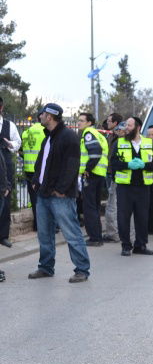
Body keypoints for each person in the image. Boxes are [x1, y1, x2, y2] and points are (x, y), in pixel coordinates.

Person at [27, 103, 91, 283]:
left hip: (60, 196)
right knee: (44, 233)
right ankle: (46, 267)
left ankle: (82, 270)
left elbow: (72, 165)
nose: (40, 116)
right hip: (43, 194)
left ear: (50, 116)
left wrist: (61, 189)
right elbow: (42, 162)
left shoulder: (68, 137)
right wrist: (35, 181)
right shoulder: (49, 137)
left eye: (42, 114)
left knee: (71, 233)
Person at [109, 116, 153, 256]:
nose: (126, 128)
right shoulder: (119, 142)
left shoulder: (148, 142)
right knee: (123, 217)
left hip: (143, 187)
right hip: (125, 187)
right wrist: (127, 165)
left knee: (142, 217)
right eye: (126, 126)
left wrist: (144, 165)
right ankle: (126, 246)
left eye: (129, 126)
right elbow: (113, 164)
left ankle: (141, 245)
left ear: (138, 127)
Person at [77, 112, 109, 247]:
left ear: (89, 123)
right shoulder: (98, 134)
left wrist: (87, 170)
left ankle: (94, 238)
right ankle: (97, 236)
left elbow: (95, 153)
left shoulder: (88, 133)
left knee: (89, 207)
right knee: (94, 207)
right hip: (99, 174)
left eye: (82, 121)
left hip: (92, 174)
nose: (79, 123)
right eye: (78, 120)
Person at [0, 97, 21, 248]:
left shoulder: (9, 125)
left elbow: (18, 143)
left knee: (5, 200)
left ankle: (3, 235)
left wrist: (10, 144)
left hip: (5, 164)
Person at [21, 118, 46, 231]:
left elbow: (21, 150)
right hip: (41, 169)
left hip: (28, 169)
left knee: (34, 198)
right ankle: (46, 225)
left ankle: (37, 225)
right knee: (44, 198)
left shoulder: (26, 132)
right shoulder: (45, 131)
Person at [102, 113, 124, 243]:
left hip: (116, 175)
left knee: (113, 205)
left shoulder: (121, 139)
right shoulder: (110, 135)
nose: (107, 123)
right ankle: (115, 232)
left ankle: (113, 233)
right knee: (113, 203)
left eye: (109, 121)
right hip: (109, 172)